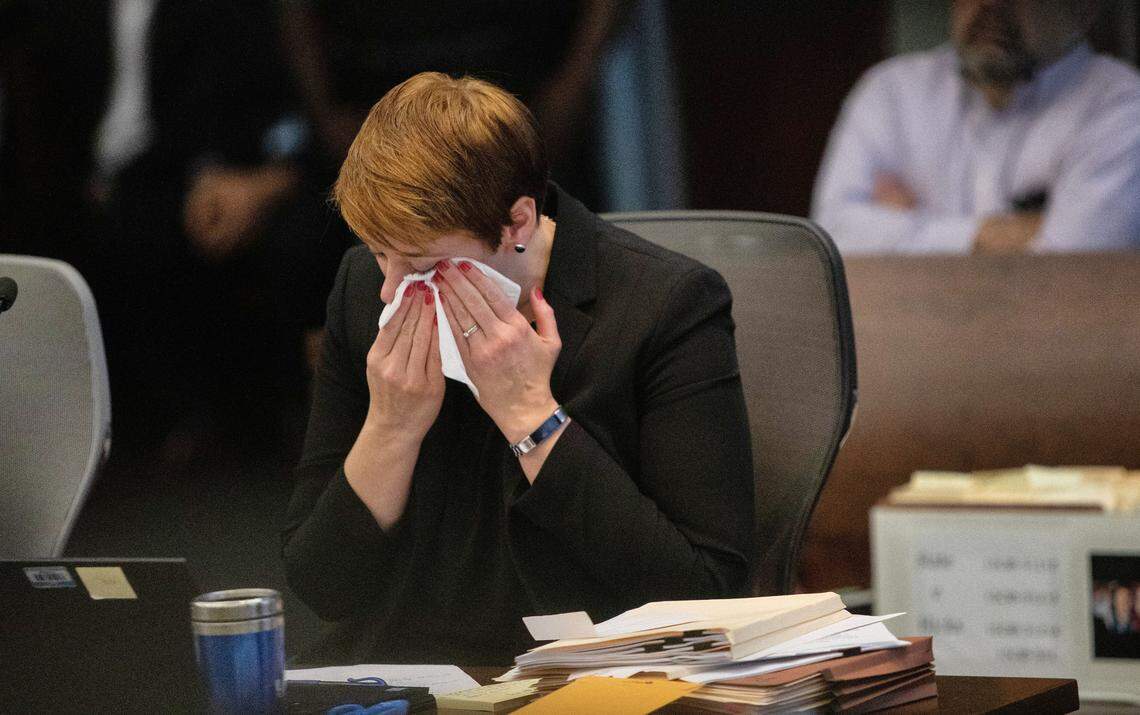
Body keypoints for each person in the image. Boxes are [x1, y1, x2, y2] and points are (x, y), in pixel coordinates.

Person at [281, 73, 754, 664]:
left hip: (600, 673)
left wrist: (530, 415)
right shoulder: (360, 290)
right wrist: (391, 428)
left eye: (422, 262)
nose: (390, 291)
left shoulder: (666, 306)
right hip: (409, 672)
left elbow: (704, 593)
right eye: (380, 254)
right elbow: (322, 585)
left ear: (517, 224)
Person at [812, 0, 1140, 254]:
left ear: (1086, 7)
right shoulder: (893, 90)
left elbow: (1073, 270)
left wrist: (905, 231)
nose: (990, 3)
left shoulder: (1121, 104)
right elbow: (832, 237)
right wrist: (987, 235)